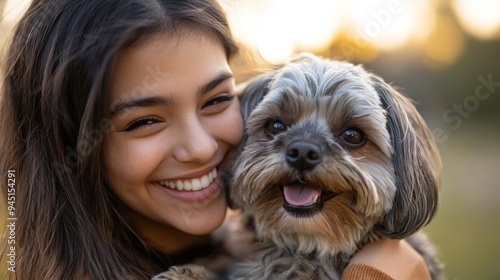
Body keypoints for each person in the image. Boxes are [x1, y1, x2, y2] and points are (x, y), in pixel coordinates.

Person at [0, 0, 431, 279]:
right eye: (144, 121)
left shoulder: (226, 242)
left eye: (217, 100)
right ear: (68, 146)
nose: (204, 148)